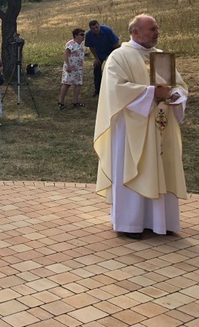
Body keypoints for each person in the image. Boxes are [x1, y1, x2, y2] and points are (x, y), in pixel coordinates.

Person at [94, 14, 188, 239]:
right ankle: (130, 223)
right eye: (152, 29)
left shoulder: (161, 57)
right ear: (135, 32)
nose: (157, 33)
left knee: (161, 167)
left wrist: (176, 94)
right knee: (133, 169)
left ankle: (161, 222)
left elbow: (178, 85)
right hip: (130, 129)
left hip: (160, 125)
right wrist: (152, 92)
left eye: (157, 28)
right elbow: (115, 89)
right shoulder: (119, 57)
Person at [84, 19, 120, 96]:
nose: (96, 29)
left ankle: (115, 87)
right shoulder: (89, 35)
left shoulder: (107, 30)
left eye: (97, 27)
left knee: (113, 68)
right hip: (100, 52)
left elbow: (116, 45)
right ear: (90, 29)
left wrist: (116, 57)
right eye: (93, 28)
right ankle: (97, 89)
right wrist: (96, 58)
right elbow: (91, 47)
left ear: (99, 25)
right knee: (97, 68)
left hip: (111, 50)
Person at [58, 28, 86, 109]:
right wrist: (68, 65)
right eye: (81, 34)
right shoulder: (71, 44)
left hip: (78, 68)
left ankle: (75, 101)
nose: (83, 36)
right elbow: (66, 54)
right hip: (70, 67)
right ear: (76, 35)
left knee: (78, 84)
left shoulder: (81, 45)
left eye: (83, 35)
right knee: (66, 84)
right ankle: (61, 102)